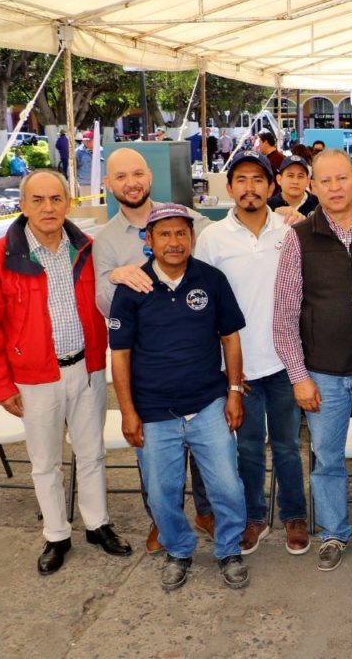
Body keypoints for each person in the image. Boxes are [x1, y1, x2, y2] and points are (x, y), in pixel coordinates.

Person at [0, 169, 131, 576]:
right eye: (38, 200)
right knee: (45, 462)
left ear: (68, 204)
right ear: (23, 206)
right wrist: (1, 385)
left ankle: (97, 524)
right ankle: (57, 534)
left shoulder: (87, 249)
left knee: (91, 452)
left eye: (56, 199)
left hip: (87, 369)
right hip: (35, 378)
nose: (48, 207)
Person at [109, 203, 249, 592]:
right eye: (165, 234)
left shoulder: (212, 279)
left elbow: (230, 338)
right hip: (154, 412)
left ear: (192, 237)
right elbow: (120, 356)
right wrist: (127, 412)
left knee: (227, 486)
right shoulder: (132, 288)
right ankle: (179, 549)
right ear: (149, 240)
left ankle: (229, 549)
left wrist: (234, 392)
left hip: (208, 405)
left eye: (181, 233)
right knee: (161, 493)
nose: (174, 241)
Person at [274, 149, 352, 571]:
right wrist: (299, 376)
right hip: (322, 374)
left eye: (342, 178)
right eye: (325, 181)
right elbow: (284, 316)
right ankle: (334, 533)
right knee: (326, 459)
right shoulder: (298, 237)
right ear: (313, 186)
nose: (335, 187)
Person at [93, 147, 213, 553]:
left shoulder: (185, 218)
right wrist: (117, 278)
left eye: (137, 174)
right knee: (153, 449)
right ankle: (162, 519)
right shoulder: (106, 241)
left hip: (195, 354)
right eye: (121, 176)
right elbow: (103, 303)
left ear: (150, 176)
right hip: (147, 364)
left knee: (204, 441)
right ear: (109, 185)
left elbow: (226, 238)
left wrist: (284, 214)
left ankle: (206, 512)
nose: (131, 183)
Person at [194, 150, 310, 557]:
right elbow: (203, 304)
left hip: (283, 362)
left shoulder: (290, 231)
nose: (250, 188)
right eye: (241, 180)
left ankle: (295, 515)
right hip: (237, 368)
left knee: (287, 446)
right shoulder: (212, 238)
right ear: (229, 188)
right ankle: (255, 516)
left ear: (272, 187)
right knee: (247, 448)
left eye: (258, 180)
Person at [268, 153, 318, 219]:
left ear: (307, 181)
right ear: (279, 179)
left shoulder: (319, 205)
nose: (295, 181)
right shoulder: (269, 207)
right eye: (290, 176)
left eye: (300, 176)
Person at [75, 131, 101, 198]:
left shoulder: (101, 150)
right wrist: (72, 184)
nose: (87, 142)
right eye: (85, 140)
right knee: (86, 203)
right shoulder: (78, 152)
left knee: (100, 204)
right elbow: (72, 169)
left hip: (100, 184)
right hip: (85, 184)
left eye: (89, 140)